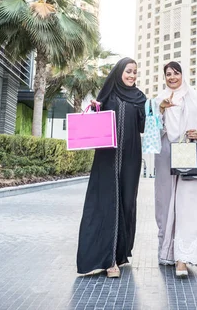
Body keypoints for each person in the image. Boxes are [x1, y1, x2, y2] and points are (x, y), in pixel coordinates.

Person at [76, 57, 146, 278]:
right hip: (107, 158)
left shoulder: (140, 98)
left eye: (135, 72)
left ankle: (119, 254)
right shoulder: (108, 95)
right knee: (106, 203)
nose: (132, 75)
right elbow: (95, 122)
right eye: (128, 71)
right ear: (119, 72)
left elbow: (143, 127)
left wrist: (153, 111)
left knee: (125, 203)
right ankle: (108, 261)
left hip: (131, 159)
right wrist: (96, 108)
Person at [154, 61, 197, 277]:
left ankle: (183, 259)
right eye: (168, 74)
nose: (172, 77)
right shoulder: (158, 100)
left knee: (189, 206)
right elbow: (151, 131)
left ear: (182, 75)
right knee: (166, 204)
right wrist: (160, 110)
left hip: (191, 160)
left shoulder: (195, 99)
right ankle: (168, 252)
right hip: (165, 159)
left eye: (176, 73)